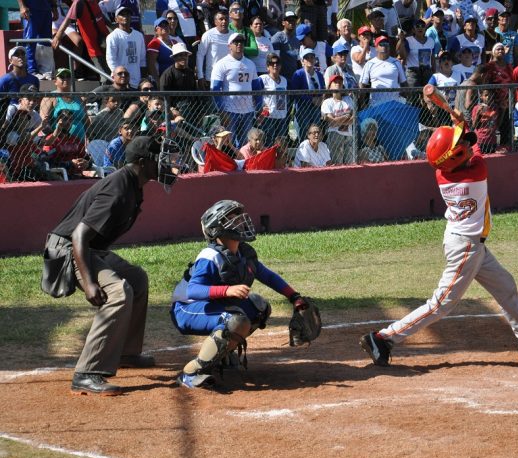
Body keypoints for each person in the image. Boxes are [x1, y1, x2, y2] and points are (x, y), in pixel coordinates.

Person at [359, 119, 518, 367]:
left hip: (468, 243)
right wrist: (462, 123)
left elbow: (464, 149)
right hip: (466, 248)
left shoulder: (442, 172)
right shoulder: (476, 173)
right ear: (455, 158)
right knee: (441, 304)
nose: (467, 146)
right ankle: (382, 338)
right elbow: (476, 151)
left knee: (505, 286)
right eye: (461, 146)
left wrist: (460, 126)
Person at [42, 135, 181, 395]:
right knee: (118, 292)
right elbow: (79, 236)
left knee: (137, 279)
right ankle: (87, 373)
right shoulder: (118, 187)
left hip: (90, 248)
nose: (165, 164)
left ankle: (127, 353)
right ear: (142, 162)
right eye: (158, 158)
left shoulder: (134, 185)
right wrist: (91, 283)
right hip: (69, 248)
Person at [170, 199, 311, 388]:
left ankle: (221, 354)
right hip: (186, 309)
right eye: (232, 219)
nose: (239, 222)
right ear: (217, 227)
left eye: (239, 218)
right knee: (235, 320)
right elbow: (193, 290)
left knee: (259, 307)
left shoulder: (242, 253)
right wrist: (227, 290)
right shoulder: (210, 256)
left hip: (206, 307)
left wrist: (294, 296)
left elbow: (268, 276)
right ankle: (192, 372)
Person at [211, 32, 258, 148]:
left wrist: (258, 106)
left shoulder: (250, 64)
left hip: (248, 110)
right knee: (229, 143)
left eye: (241, 42)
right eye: (236, 42)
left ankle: (243, 165)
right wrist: (222, 111)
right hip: (230, 110)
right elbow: (215, 89)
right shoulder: (221, 64)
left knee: (246, 144)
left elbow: (256, 86)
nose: (239, 44)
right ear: (229, 45)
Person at [51, 0, 111, 81]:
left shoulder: (93, 2)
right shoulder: (78, 3)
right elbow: (68, 19)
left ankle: (75, 71)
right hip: (94, 50)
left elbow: (103, 19)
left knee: (110, 76)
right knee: (106, 79)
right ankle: (70, 72)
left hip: (105, 46)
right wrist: (58, 36)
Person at [39, 68, 90, 143]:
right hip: (59, 144)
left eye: (68, 76)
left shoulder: (80, 97)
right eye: (62, 77)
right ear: (55, 81)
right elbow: (43, 123)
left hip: (80, 144)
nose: (66, 79)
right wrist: (50, 140)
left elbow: (86, 121)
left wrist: (88, 138)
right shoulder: (50, 97)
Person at [251, 53, 289, 147]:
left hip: (281, 117)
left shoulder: (284, 80)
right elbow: (253, 95)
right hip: (268, 118)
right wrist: (259, 109)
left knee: (280, 145)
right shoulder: (263, 79)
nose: (275, 65)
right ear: (268, 67)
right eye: (272, 63)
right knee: (267, 144)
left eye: (277, 63)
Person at [360, 36, 407, 108]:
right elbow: (362, 85)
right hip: (376, 104)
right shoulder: (370, 63)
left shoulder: (396, 62)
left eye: (386, 44)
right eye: (381, 44)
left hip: (395, 103)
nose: (384, 46)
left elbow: (404, 83)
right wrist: (362, 104)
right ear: (376, 47)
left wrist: (404, 100)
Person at [290, 47, 325, 141]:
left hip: (317, 108)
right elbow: (294, 92)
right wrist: (311, 99)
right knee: (304, 131)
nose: (310, 59)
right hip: (303, 108)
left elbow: (323, 89)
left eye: (312, 57)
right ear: (302, 61)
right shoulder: (298, 74)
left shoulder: (319, 75)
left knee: (316, 131)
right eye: (307, 58)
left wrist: (321, 99)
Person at [105, 7, 147, 84]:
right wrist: (119, 77)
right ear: (116, 19)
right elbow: (111, 60)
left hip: (137, 81)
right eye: (122, 15)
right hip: (121, 82)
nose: (125, 17)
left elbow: (142, 59)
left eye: (128, 14)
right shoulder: (113, 36)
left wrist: (143, 77)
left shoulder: (139, 35)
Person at [321, 74, 354, 164]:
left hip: (349, 135)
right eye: (335, 82)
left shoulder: (348, 99)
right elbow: (332, 122)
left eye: (340, 82)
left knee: (350, 164)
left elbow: (354, 119)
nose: (338, 84)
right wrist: (345, 116)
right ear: (330, 86)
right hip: (334, 134)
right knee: (337, 163)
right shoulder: (327, 102)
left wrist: (338, 119)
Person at [17, 0, 54, 79]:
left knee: (46, 41)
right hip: (31, 8)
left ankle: (46, 71)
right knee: (30, 40)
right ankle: (31, 70)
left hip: (46, 9)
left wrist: (54, 7)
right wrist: (22, 6)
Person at [197, 11, 232, 90]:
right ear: (215, 22)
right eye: (221, 19)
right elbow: (200, 55)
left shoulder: (233, 35)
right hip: (212, 77)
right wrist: (200, 76)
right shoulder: (208, 35)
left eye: (226, 19)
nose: (224, 21)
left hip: (230, 78)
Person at [397, 18, 436, 90]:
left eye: (422, 26)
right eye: (417, 26)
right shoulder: (408, 40)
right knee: (413, 96)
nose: (420, 28)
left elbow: (432, 57)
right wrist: (401, 40)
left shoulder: (431, 40)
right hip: (413, 72)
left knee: (429, 94)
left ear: (425, 28)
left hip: (427, 71)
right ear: (413, 30)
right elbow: (402, 55)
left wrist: (434, 71)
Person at [147, 16, 183, 82]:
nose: (165, 27)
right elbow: (151, 65)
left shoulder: (175, 42)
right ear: (156, 30)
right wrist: (158, 82)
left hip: (175, 79)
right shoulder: (154, 43)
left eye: (166, 24)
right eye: (162, 25)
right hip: (162, 79)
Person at [271, 11, 301, 83]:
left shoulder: (296, 40)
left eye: (294, 20)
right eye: (289, 20)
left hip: (294, 77)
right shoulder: (278, 37)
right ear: (283, 23)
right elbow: (274, 59)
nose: (292, 22)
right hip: (281, 78)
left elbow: (297, 61)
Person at [471, 88, 498, 153]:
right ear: (481, 96)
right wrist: (478, 114)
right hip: (480, 140)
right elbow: (474, 126)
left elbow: (497, 123)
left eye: (489, 95)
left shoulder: (494, 108)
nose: (488, 97)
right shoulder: (476, 108)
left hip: (492, 140)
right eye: (486, 95)